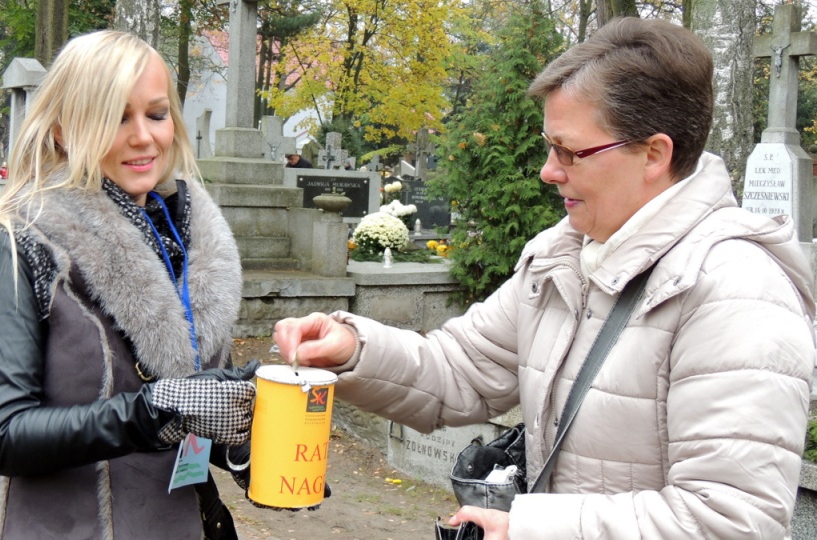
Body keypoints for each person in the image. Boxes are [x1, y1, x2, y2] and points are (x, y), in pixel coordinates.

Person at [273, 17, 816, 539]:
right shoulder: (565, 257)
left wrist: (532, 527)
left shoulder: (735, 292)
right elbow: (458, 369)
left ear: (654, 154)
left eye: (570, 151)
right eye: (548, 145)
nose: (548, 170)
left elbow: (730, 521)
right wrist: (353, 350)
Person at [0, 31, 256, 538]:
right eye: (115, 117)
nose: (144, 137)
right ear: (64, 130)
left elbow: (187, 412)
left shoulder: (190, 238)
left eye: (156, 114)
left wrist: (243, 442)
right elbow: (6, 435)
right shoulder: (17, 239)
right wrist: (157, 409)